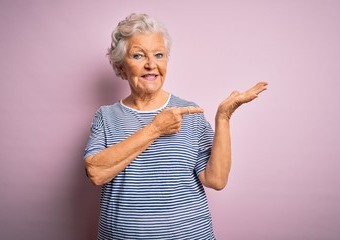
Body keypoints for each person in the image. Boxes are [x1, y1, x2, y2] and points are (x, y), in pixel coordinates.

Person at [83, 13, 267, 240]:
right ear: (121, 67)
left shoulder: (190, 113)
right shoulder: (106, 116)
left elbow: (216, 180)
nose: (151, 64)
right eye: (139, 55)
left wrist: (223, 118)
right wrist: (155, 129)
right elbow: (96, 172)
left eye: (159, 55)